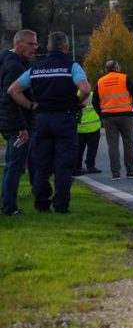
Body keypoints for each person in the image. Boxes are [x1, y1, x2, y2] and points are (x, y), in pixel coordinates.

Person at [8, 31, 90, 214]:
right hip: (65, 118)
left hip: (41, 119)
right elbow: (85, 88)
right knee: (63, 164)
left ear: (49, 47)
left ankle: (41, 202)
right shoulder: (72, 66)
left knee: (41, 164)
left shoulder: (36, 68)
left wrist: (31, 105)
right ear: (66, 48)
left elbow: (13, 90)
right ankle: (61, 205)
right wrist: (76, 102)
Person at [1, 30, 38, 216]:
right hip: (17, 125)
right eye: (30, 44)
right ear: (18, 44)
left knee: (14, 164)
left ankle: (9, 203)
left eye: (36, 44)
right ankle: (9, 207)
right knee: (15, 166)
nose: (35, 47)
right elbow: (10, 98)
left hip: (12, 122)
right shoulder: (14, 66)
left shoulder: (11, 62)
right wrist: (21, 126)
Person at [94, 59, 133, 180]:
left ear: (106, 69)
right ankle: (130, 172)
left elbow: (94, 101)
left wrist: (101, 114)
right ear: (117, 67)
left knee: (112, 145)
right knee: (128, 143)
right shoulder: (124, 78)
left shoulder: (100, 81)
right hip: (126, 115)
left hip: (108, 117)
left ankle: (116, 173)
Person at [73, 93, 102, 176]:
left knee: (79, 148)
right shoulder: (94, 95)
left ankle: (78, 166)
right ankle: (90, 166)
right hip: (93, 127)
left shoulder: (75, 95)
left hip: (80, 128)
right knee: (92, 149)